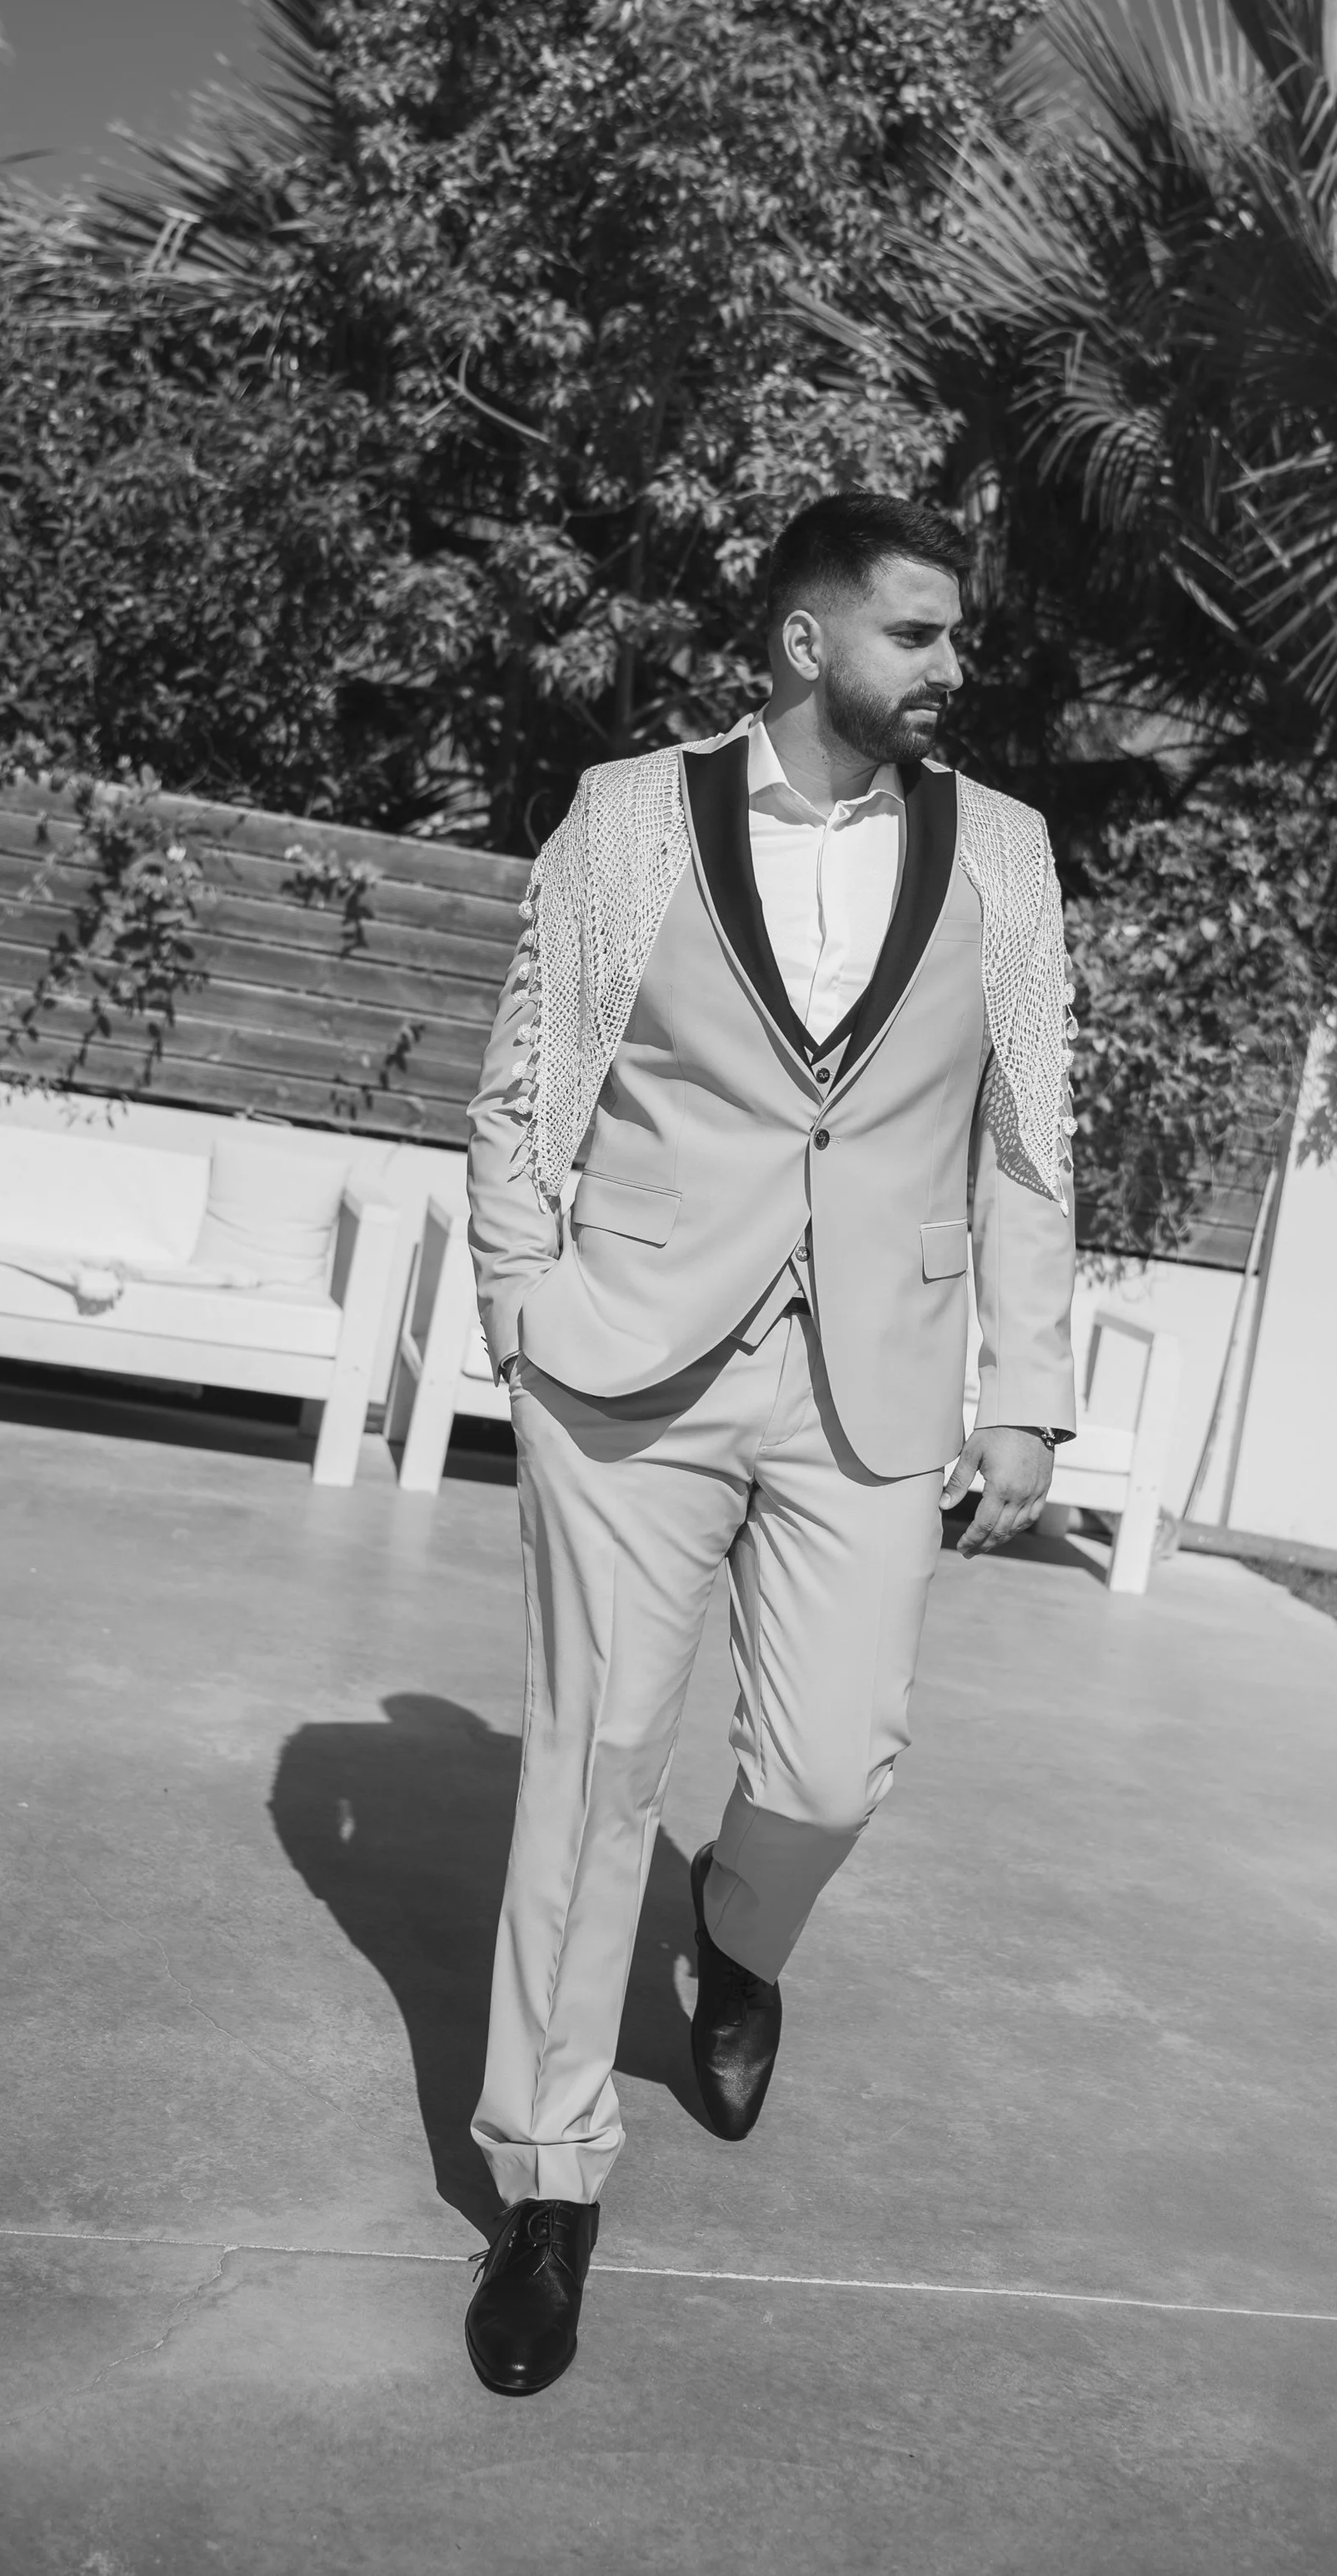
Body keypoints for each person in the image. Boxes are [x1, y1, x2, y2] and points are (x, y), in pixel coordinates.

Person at [460, 492, 1078, 2395]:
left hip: (871, 1379)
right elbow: (524, 1085)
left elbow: (1028, 1135)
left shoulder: (1003, 851)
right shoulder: (627, 815)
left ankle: (737, 1937)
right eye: (916, 633)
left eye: (954, 635)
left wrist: (1024, 1389)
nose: (950, 665)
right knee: (591, 1773)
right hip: (628, 1364)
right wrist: (522, 1313)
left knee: (829, 1763)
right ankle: (546, 2185)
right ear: (806, 643)